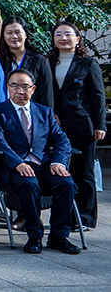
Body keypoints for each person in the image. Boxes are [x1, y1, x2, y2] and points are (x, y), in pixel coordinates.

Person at [0, 69, 80, 254]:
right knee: (29, 184)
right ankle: (34, 236)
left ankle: (59, 237)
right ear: (8, 87)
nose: (20, 91)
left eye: (25, 86)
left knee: (66, 183)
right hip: (13, 167)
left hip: (43, 166)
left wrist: (58, 162)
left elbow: (62, 140)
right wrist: (17, 163)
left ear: (33, 89)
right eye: (14, 86)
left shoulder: (45, 112)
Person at [47, 21, 105, 229]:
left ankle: (85, 218)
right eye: (58, 34)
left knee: (84, 173)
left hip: (83, 126)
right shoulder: (48, 62)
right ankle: (67, 217)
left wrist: (100, 125)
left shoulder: (88, 63)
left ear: (77, 39)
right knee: (63, 172)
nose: (63, 38)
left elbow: (98, 96)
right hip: (57, 126)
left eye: (68, 34)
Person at [0, 16, 54, 109]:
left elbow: (47, 94)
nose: (14, 36)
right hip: (5, 113)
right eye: (9, 33)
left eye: (18, 32)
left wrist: (47, 115)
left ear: (26, 34)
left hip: (32, 112)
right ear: (3, 37)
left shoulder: (39, 60)